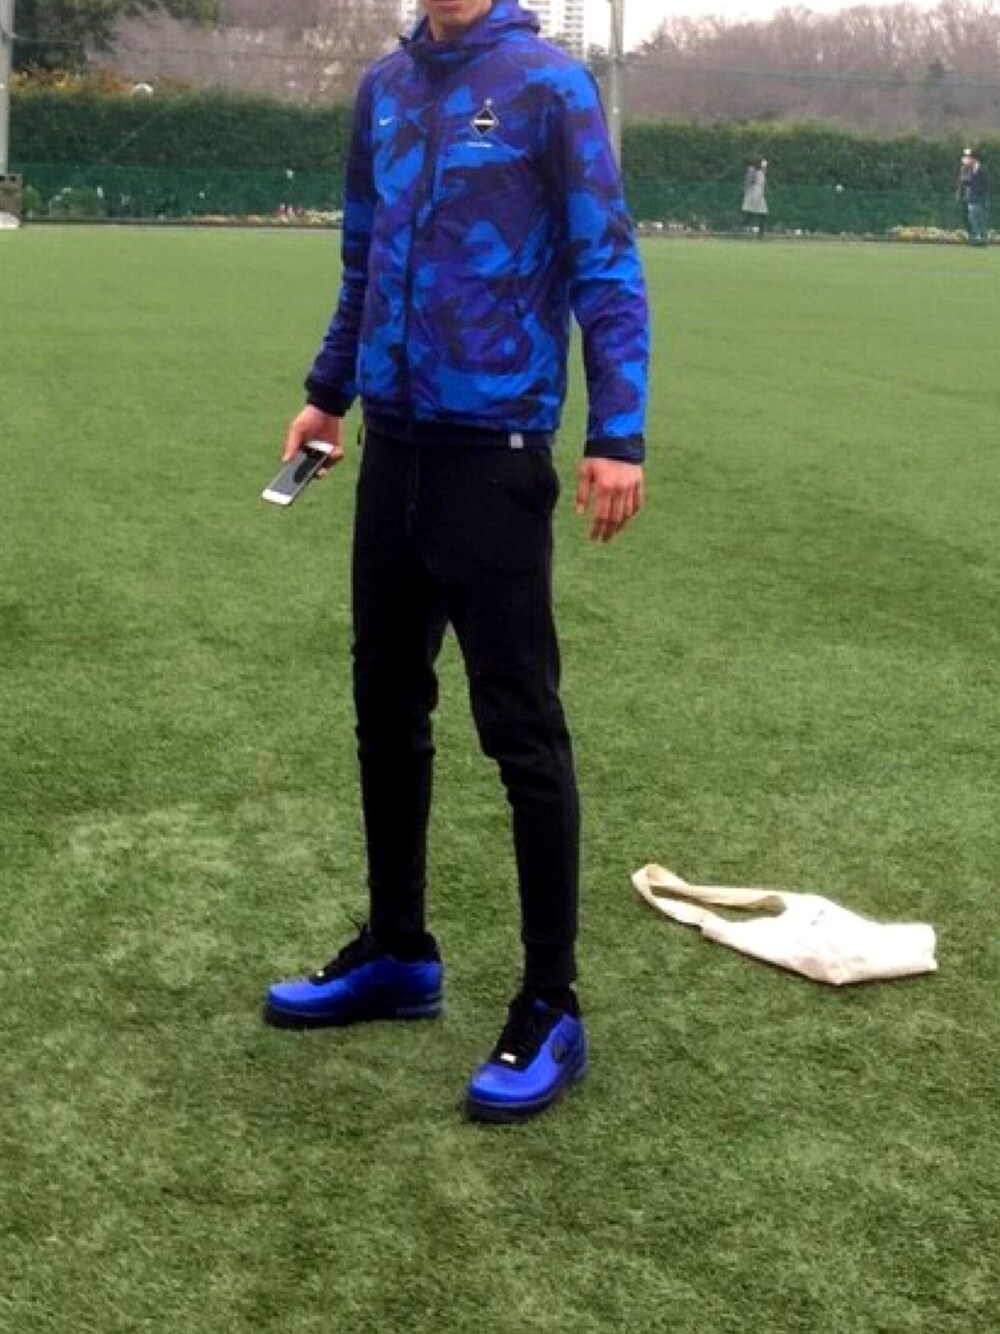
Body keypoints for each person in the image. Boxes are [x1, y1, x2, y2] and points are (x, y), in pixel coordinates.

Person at [263, 0, 650, 1125]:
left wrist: (618, 432)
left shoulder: (549, 87)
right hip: (393, 449)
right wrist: (327, 392)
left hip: (497, 452)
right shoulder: (383, 91)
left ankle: (550, 1001)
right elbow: (362, 257)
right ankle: (400, 949)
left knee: (521, 727)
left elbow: (606, 265)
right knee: (385, 705)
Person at [966, 151, 989, 247]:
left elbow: (985, 184)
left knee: (980, 218)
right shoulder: (970, 170)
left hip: (980, 197)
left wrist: (981, 194)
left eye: (970, 158)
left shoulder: (983, 169)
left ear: (975, 159)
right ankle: (977, 237)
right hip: (972, 197)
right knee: (972, 217)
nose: (969, 160)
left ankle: (983, 239)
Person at [741, 157, 768, 233]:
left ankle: (760, 233)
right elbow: (748, 182)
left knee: (755, 213)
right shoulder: (755, 172)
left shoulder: (760, 173)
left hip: (756, 194)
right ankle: (760, 233)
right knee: (760, 213)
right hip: (755, 194)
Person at [956, 147, 974, 234]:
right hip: (964, 196)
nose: (966, 159)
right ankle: (970, 232)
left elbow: (970, 181)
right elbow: (960, 183)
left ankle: (975, 232)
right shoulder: (962, 169)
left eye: (968, 156)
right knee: (965, 216)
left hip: (972, 196)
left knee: (972, 215)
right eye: (965, 156)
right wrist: (958, 193)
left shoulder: (974, 169)